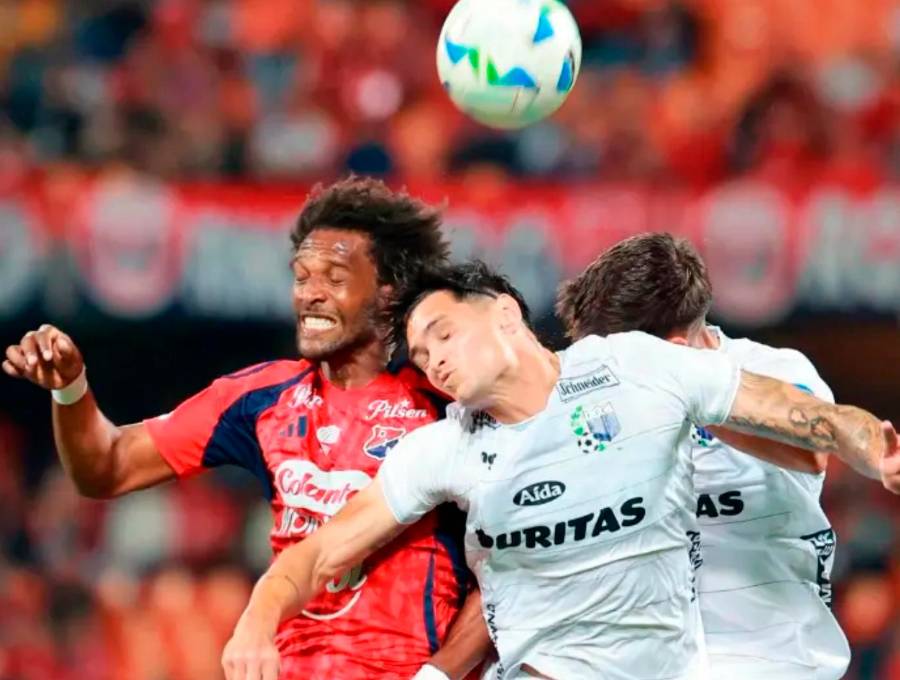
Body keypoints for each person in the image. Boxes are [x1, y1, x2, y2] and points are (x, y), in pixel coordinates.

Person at [219, 259, 900, 680]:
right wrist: (258, 616)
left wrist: (876, 448)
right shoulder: (444, 448)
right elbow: (316, 554)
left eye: (445, 335)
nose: (436, 363)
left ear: (507, 316)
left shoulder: (631, 370)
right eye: (423, 357)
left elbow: (805, 418)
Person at [2, 177, 491, 680]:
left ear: (389, 293)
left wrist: (438, 675)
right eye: (302, 277)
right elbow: (106, 468)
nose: (310, 295)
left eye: (335, 278)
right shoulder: (261, 399)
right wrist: (70, 387)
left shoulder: (447, 406)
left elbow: (515, 570)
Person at [555, 232, 854, 678]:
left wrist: (689, 392)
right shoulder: (596, 396)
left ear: (672, 351)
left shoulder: (774, 371)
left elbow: (810, 452)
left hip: (772, 655)